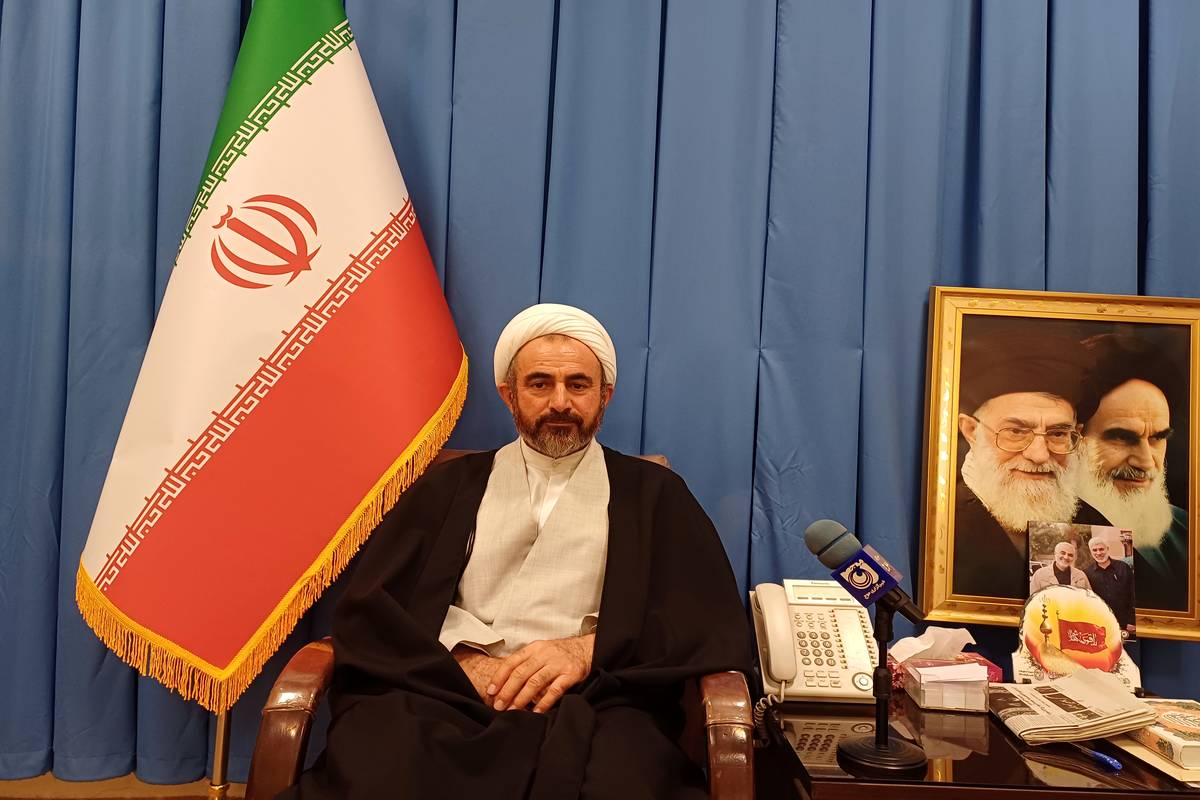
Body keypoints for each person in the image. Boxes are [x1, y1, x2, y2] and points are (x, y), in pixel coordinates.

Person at [281, 303, 751, 800]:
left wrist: (585, 651)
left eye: (578, 385)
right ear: (509, 395)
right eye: (540, 384)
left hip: (597, 699)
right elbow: (376, 611)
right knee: (382, 765)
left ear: (605, 395)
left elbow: (703, 620)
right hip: (446, 690)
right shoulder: (448, 487)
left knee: (625, 778)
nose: (560, 402)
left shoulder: (654, 493)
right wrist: (466, 663)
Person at [953, 329, 1111, 600]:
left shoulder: (1096, 527)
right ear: (971, 431)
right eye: (1016, 432)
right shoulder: (940, 527)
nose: (1039, 454)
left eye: (1058, 434)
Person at [1076, 333, 1189, 612]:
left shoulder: (1185, 529)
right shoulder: (1042, 532)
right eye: (1122, 437)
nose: (1147, 462)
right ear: (1074, 439)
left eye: (1157, 438)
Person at [1082, 536, 1136, 634]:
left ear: (1107, 549)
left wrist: (1132, 620)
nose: (1098, 553)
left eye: (1101, 549)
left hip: (1125, 624)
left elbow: (1134, 593)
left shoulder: (1123, 567)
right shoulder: (1087, 573)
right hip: (1101, 624)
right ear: (1091, 552)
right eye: (1094, 550)